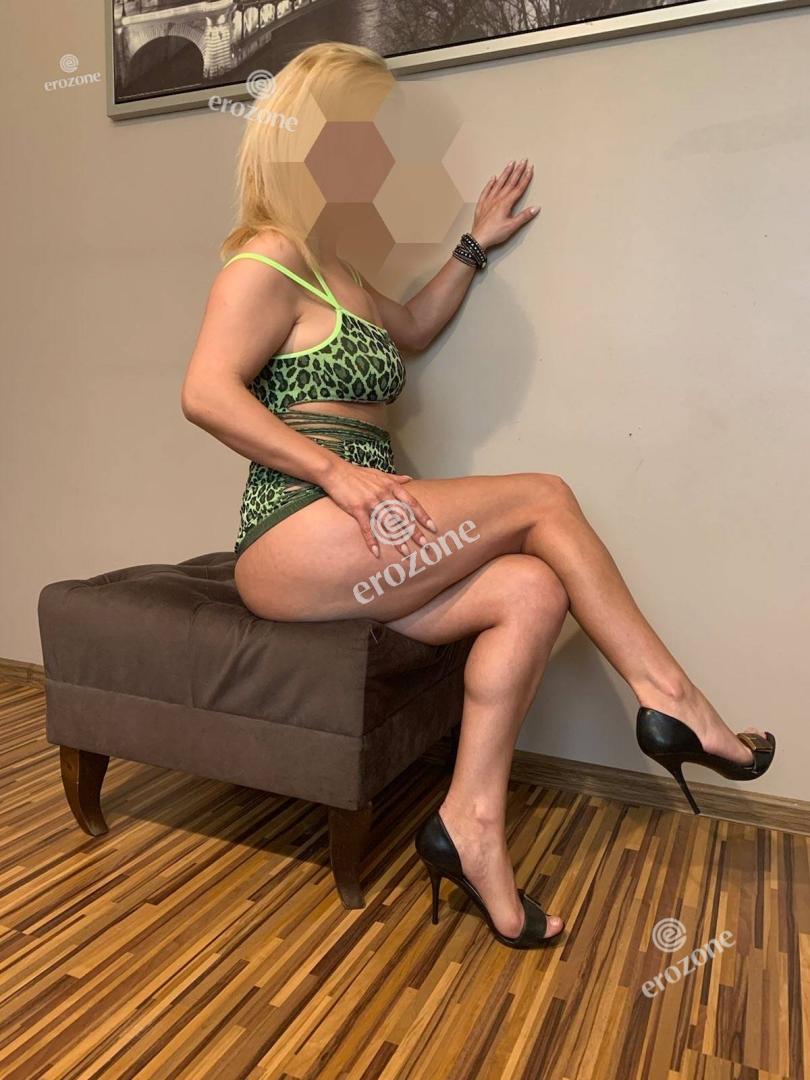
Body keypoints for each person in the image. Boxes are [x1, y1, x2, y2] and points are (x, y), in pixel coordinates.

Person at [181, 41, 775, 949]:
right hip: (293, 533)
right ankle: (674, 701)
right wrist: (337, 473)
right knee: (544, 496)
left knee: (532, 591)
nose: (376, 150)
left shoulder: (340, 266)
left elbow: (415, 326)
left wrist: (473, 244)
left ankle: (471, 828)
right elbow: (205, 393)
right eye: (357, 132)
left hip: (365, 539)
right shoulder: (269, 257)